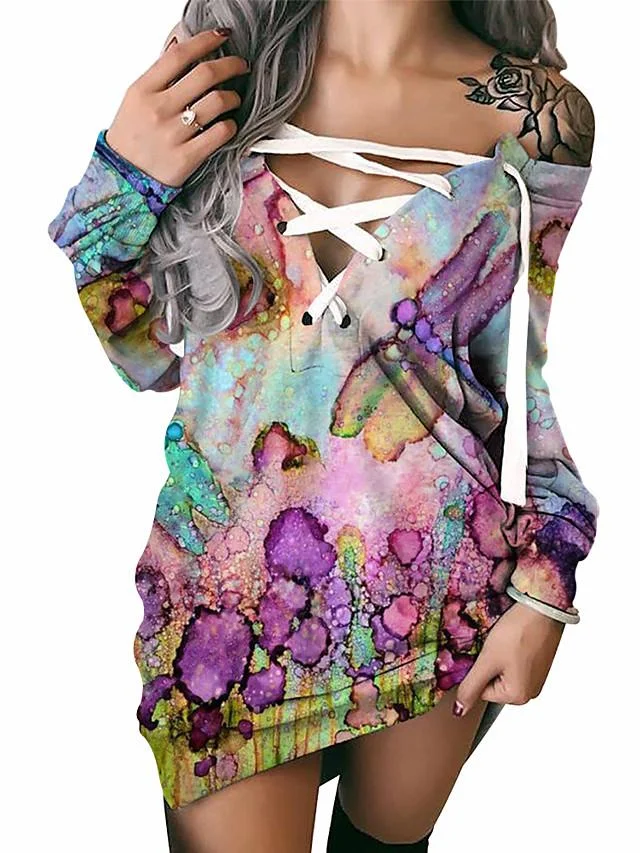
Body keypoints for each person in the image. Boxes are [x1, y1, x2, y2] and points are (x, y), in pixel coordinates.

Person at [47, 1, 599, 851]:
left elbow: (521, 375)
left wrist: (548, 577)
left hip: (440, 593)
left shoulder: (538, 114)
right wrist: (121, 179)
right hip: (227, 607)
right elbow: (144, 355)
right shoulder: (217, 75)